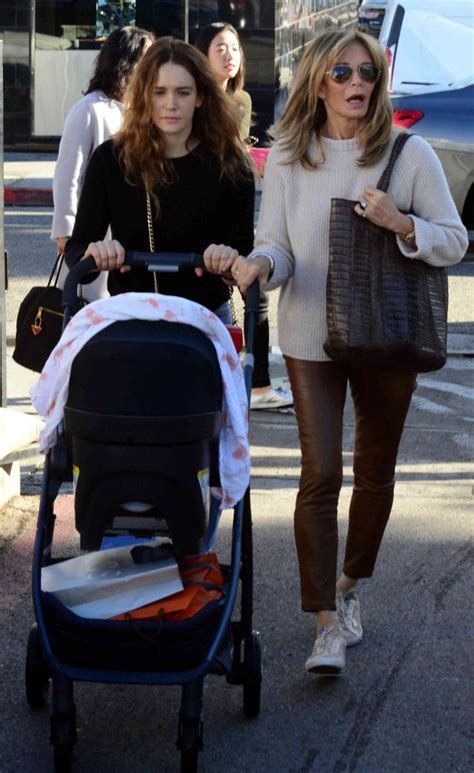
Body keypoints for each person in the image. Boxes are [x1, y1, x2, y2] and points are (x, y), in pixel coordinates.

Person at [229, 29, 468, 675]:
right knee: (320, 474)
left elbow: (454, 240)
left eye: (367, 71)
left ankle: (350, 584)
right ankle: (325, 624)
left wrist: (401, 222)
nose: (357, 81)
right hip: (310, 332)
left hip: (387, 330)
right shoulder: (287, 154)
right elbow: (278, 245)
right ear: (317, 80)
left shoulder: (408, 154)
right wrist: (258, 267)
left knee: (377, 469)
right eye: (342, 70)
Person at [64, 37, 255, 321]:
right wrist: (95, 254)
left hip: (206, 319)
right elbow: (77, 249)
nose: (171, 104)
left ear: (200, 97)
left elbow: (245, 256)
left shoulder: (231, 166)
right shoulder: (112, 160)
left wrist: (229, 263)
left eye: (183, 92)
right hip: (132, 316)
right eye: (159, 92)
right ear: (144, 96)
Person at [195, 22, 293, 411]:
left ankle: (257, 382)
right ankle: (248, 381)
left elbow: (233, 157)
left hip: (233, 204)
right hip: (203, 208)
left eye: (234, 47)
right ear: (200, 55)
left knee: (254, 289)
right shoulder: (194, 100)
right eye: (219, 48)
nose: (229, 55)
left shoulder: (240, 101)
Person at [51, 25, 154, 300]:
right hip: (91, 239)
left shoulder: (140, 112)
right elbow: (67, 175)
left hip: (123, 240)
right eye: (147, 57)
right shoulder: (89, 110)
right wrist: (66, 233)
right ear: (127, 60)